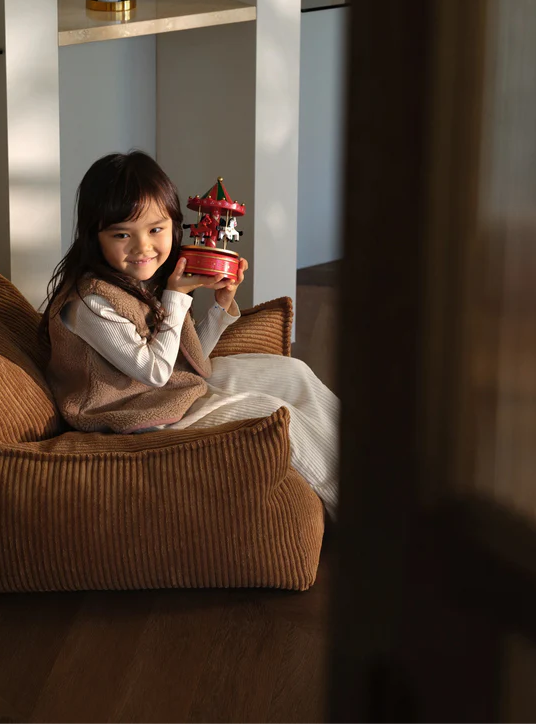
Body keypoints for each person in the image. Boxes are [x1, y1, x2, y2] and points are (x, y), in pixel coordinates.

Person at [41, 151, 338, 518]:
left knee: (291, 372)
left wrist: (219, 306)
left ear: (174, 225)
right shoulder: (88, 302)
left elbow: (190, 356)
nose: (143, 248)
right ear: (95, 237)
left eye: (155, 229)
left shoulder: (141, 281)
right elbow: (154, 371)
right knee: (272, 413)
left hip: (162, 394)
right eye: (121, 234)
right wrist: (177, 297)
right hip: (128, 416)